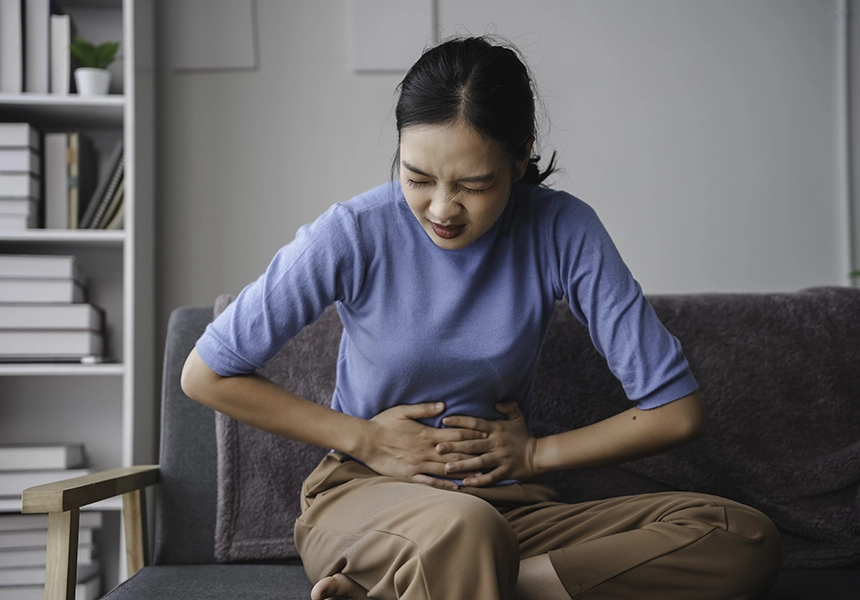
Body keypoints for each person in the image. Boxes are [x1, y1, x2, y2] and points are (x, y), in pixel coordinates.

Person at [181, 35, 782, 600]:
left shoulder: (562, 229)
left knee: (739, 535)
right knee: (469, 532)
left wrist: (535, 457)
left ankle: (439, 586)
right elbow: (206, 373)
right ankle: (456, 574)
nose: (442, 209)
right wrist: (365, 439)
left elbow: (676, 411)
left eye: (474, 184)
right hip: (365, 497)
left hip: (514, 511)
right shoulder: (353, 233)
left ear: (521, 159)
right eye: (416, 178)